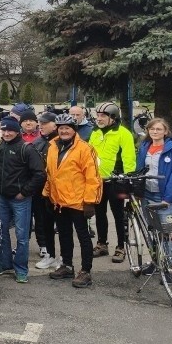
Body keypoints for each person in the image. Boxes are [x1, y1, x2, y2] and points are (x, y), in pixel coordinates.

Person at [43, 114, 103, 289]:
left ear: (74, 130)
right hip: (59, 201)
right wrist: (47, 194)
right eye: (60, 128)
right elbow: (50, 173)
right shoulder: (53, 146)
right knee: (64, 234)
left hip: (78, 201)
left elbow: (93, 178)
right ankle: (67, 266)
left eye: (67, 128)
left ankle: (86, 271)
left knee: (83, 236)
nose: (63, 131)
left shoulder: (85, 149)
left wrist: (90, 202)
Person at [0, 117, 46, 283]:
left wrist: (24, 192)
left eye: (10, 131)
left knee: (22, 236)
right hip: (2, 198)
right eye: (4, 130)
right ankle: (5, 262)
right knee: (1, 232)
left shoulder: (27, 149)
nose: (7, 133)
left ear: (17, 131)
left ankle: (21, 269)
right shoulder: (0, 146)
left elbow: (40, 174)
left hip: (20, 200)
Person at [137, 118, 172, 273]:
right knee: (152, 230)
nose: (155, 132)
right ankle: (156, 262)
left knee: (167, 232)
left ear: (165, 132)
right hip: (147, 195)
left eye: (159, 129)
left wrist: (168, 198)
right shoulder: (144, 146)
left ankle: (170, 267)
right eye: (152, 129)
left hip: (164, 197)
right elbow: (139, 169)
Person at [89, 102, 136, 263]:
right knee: (100, 213)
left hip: (116, 180)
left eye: (103, 116)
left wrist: (126, 177)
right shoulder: (95, 132)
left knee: (118, 215)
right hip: (98, 180)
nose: (99, 119)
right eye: (98, 116)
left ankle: (121, 247)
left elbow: (129, 158)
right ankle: (102, 244)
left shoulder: (123, 133)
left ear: (113, 118)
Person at [31, 112, 60, 269]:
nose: (40, 126)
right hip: (40, 189)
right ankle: (49, 252)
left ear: (55, 125)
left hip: (60, 190)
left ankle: (63, 257)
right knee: (43, 222)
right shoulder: (37, 142)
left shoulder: (61, 142)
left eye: (45, 123)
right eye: (40, 123)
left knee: (62, 226)